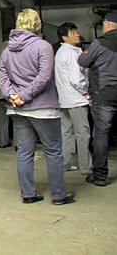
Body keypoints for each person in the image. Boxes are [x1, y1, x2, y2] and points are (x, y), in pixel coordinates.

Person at [0, 8, 74, 205]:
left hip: (17, 109)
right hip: (43, 109)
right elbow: (44, 76)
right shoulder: (43, 46)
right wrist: (24, 96)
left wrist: (13, 96)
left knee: (24, 152)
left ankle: (28, 193)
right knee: (53, 151)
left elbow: (2, 79)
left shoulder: (7, 50)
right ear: (37, 24)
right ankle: (58, 195)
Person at [79, 12, 117, 187]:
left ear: (106, 25)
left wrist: (85, 52)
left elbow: (83, 62)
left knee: (101, 135)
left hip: (103, 95)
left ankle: (100, 176)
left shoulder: (99, 43)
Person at [54, 22, 92, 175]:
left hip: (64, 99)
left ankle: (66, 163)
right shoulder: (71, 53)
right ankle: (86, 167)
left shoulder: (61, 52)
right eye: (73, 32)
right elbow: (76, 79)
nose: (77, 34)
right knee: (83, 134)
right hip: (76, 99)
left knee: (66, 133)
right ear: (65, 37)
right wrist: (86, 92)